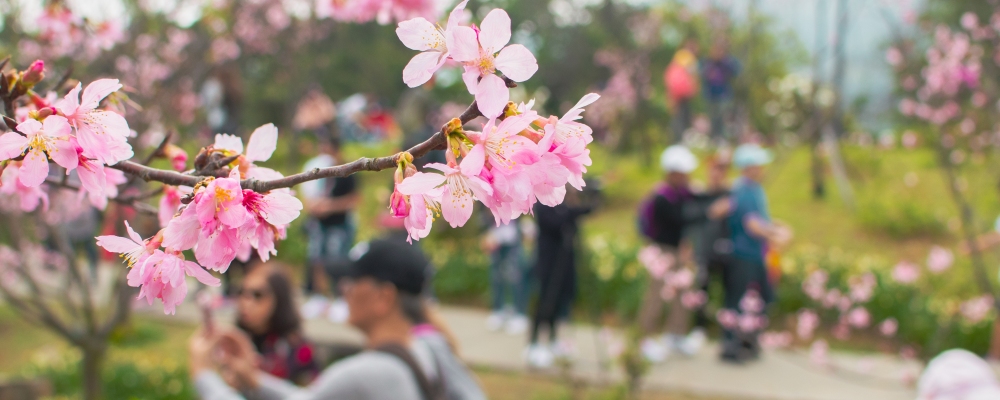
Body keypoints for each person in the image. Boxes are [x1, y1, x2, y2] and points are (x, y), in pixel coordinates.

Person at [190, 239, 447, 400]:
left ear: (384, 297)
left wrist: (203, 374)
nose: (344, 290)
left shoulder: (366, 373)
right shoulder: (424, 348)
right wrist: (254, 379)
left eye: (352, 282)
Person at [719, 143, 792, 363]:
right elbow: (752, 224)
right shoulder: (742, 189)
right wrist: (775, 234)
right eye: (758, 164)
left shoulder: (754, 188)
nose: (762, 168)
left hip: (755, 255)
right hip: (743, 255)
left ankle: (748, 342)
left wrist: (775, 227)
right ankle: (733, 345)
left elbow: (761, 219)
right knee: (740, 301)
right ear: (748, 167)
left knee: (757, 300)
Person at [636, 145, 700, 363]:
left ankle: (676, 333)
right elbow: (678, 221)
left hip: (678, 250)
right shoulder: (662, 197)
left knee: (682, 293)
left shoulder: (680, 194)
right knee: (655, 294)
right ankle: (644, 339)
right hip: (662, 252)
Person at [526, 190, 593, 368]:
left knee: (559, 301)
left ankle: (554, 338)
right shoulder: (543, 203)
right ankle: (534, 343)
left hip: (565, 260)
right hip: (548, 261)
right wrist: (572, 212)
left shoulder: (565, 206)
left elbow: (580, 214)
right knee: (545, 301)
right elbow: (553, 222)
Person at [299, 134, 360, 322]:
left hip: (339, 225)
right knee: (317, 259)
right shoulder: (316, 171)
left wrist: (330, 206)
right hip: (319, 224)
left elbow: (354, 200)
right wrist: (314, 207)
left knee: (338, 261)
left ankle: (340, 299)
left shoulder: (347, 171)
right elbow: (309, 194)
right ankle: (319, 297)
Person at [682, 150, 733, 356]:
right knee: (701, 289)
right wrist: (687, 246)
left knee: (728, 290)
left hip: (727, 251)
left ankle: (728, 332)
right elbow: (691, 222)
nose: (717, 174)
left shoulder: (730, 196)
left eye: (721, 170)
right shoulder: (700, 196)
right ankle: (699, 329)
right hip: (705, 250)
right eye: (714, 169)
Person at [234, 262, 319, 385]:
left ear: (279, 298)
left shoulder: (298, 348)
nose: (246, 302)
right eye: (241, 292)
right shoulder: (235, 340)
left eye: (257, 295)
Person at [482, 219, 531, 335]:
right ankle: (499, 310)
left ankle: (519, 313)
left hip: (513, 239)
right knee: (497, 277)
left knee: (516, 278)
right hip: (496, 238)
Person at [700, 41, 740, 144]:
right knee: (712, 117)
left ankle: (721, 138)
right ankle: (713, 138)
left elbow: (737, 70)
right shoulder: (707, 62)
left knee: (722, 117)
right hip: (710, 94)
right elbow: (701, 73)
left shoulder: (727, 62)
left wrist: (726, 60)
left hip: (724, 94)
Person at [665, 38, 700, 143]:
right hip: (683, 92)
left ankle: (676, 139)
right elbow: (691, 74)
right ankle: (679, 140)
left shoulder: (678, 57)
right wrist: (694, 87)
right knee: (682, 117)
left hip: (676, 92)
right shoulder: (688, 58)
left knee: (678, 116)